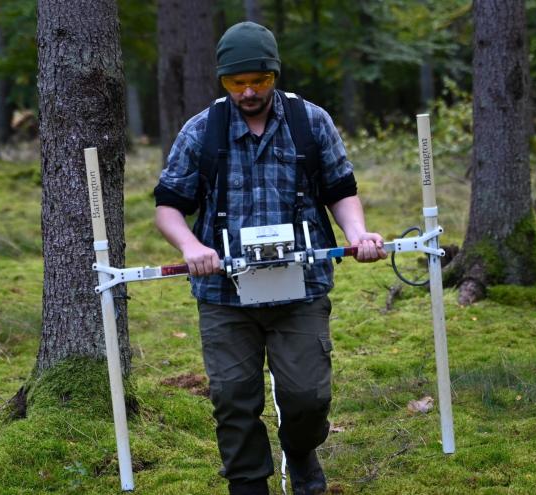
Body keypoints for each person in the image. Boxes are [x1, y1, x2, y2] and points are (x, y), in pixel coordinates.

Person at [153, 21, 386, 495]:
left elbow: (341, 191)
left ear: (274, 74)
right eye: (235, 82)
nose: (248, 92)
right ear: (223, 80)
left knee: (308, 397)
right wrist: (191, 247)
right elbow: (168, 207)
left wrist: (358, 234)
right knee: (233, 399)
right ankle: (247, 483)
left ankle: (299, 451)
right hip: (224, 295)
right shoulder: (202, 130)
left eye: (258, 81)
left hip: (301, 287)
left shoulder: (310, 122)